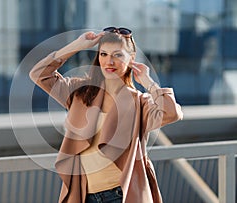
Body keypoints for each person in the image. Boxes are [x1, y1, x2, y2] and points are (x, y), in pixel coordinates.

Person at [29, 27, 183, 203]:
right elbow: (39, 74)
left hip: (120, 196)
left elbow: (172, 113)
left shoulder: (139, 102)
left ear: (131, 58)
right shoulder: (81, 92)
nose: (109, 61)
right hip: (83, 195)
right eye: (104, 54)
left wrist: (149, 83)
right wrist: (77, 45)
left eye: (117, 55)